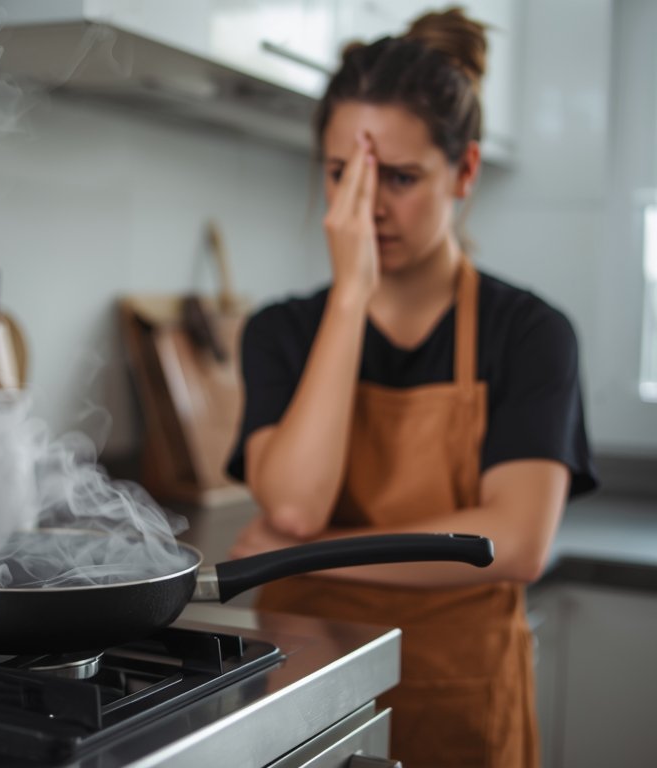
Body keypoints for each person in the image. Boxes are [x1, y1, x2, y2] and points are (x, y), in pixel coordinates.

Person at [225, 7, 597, 768]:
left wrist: (301, 555)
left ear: (464, 172)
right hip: (306, 711)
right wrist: (350, 299)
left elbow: (516, 541)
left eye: (398, 177)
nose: (369, 209)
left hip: (463, 706)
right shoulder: (281, 332)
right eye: (343, 175)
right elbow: (294, 502)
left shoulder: (529, 334)